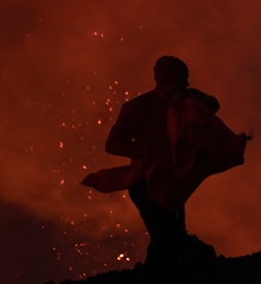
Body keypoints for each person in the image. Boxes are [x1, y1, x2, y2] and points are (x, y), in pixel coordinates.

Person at [83, 55, 248, 267]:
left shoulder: (186, 104)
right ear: (169, 78)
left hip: (171, 183)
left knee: (171, 238)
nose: (187, 83)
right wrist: (147, 150)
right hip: (146, 183)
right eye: (184, 78)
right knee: (166, 238)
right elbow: (112, 144)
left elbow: (213, 105)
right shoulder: (137, 107)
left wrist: (191, 98)